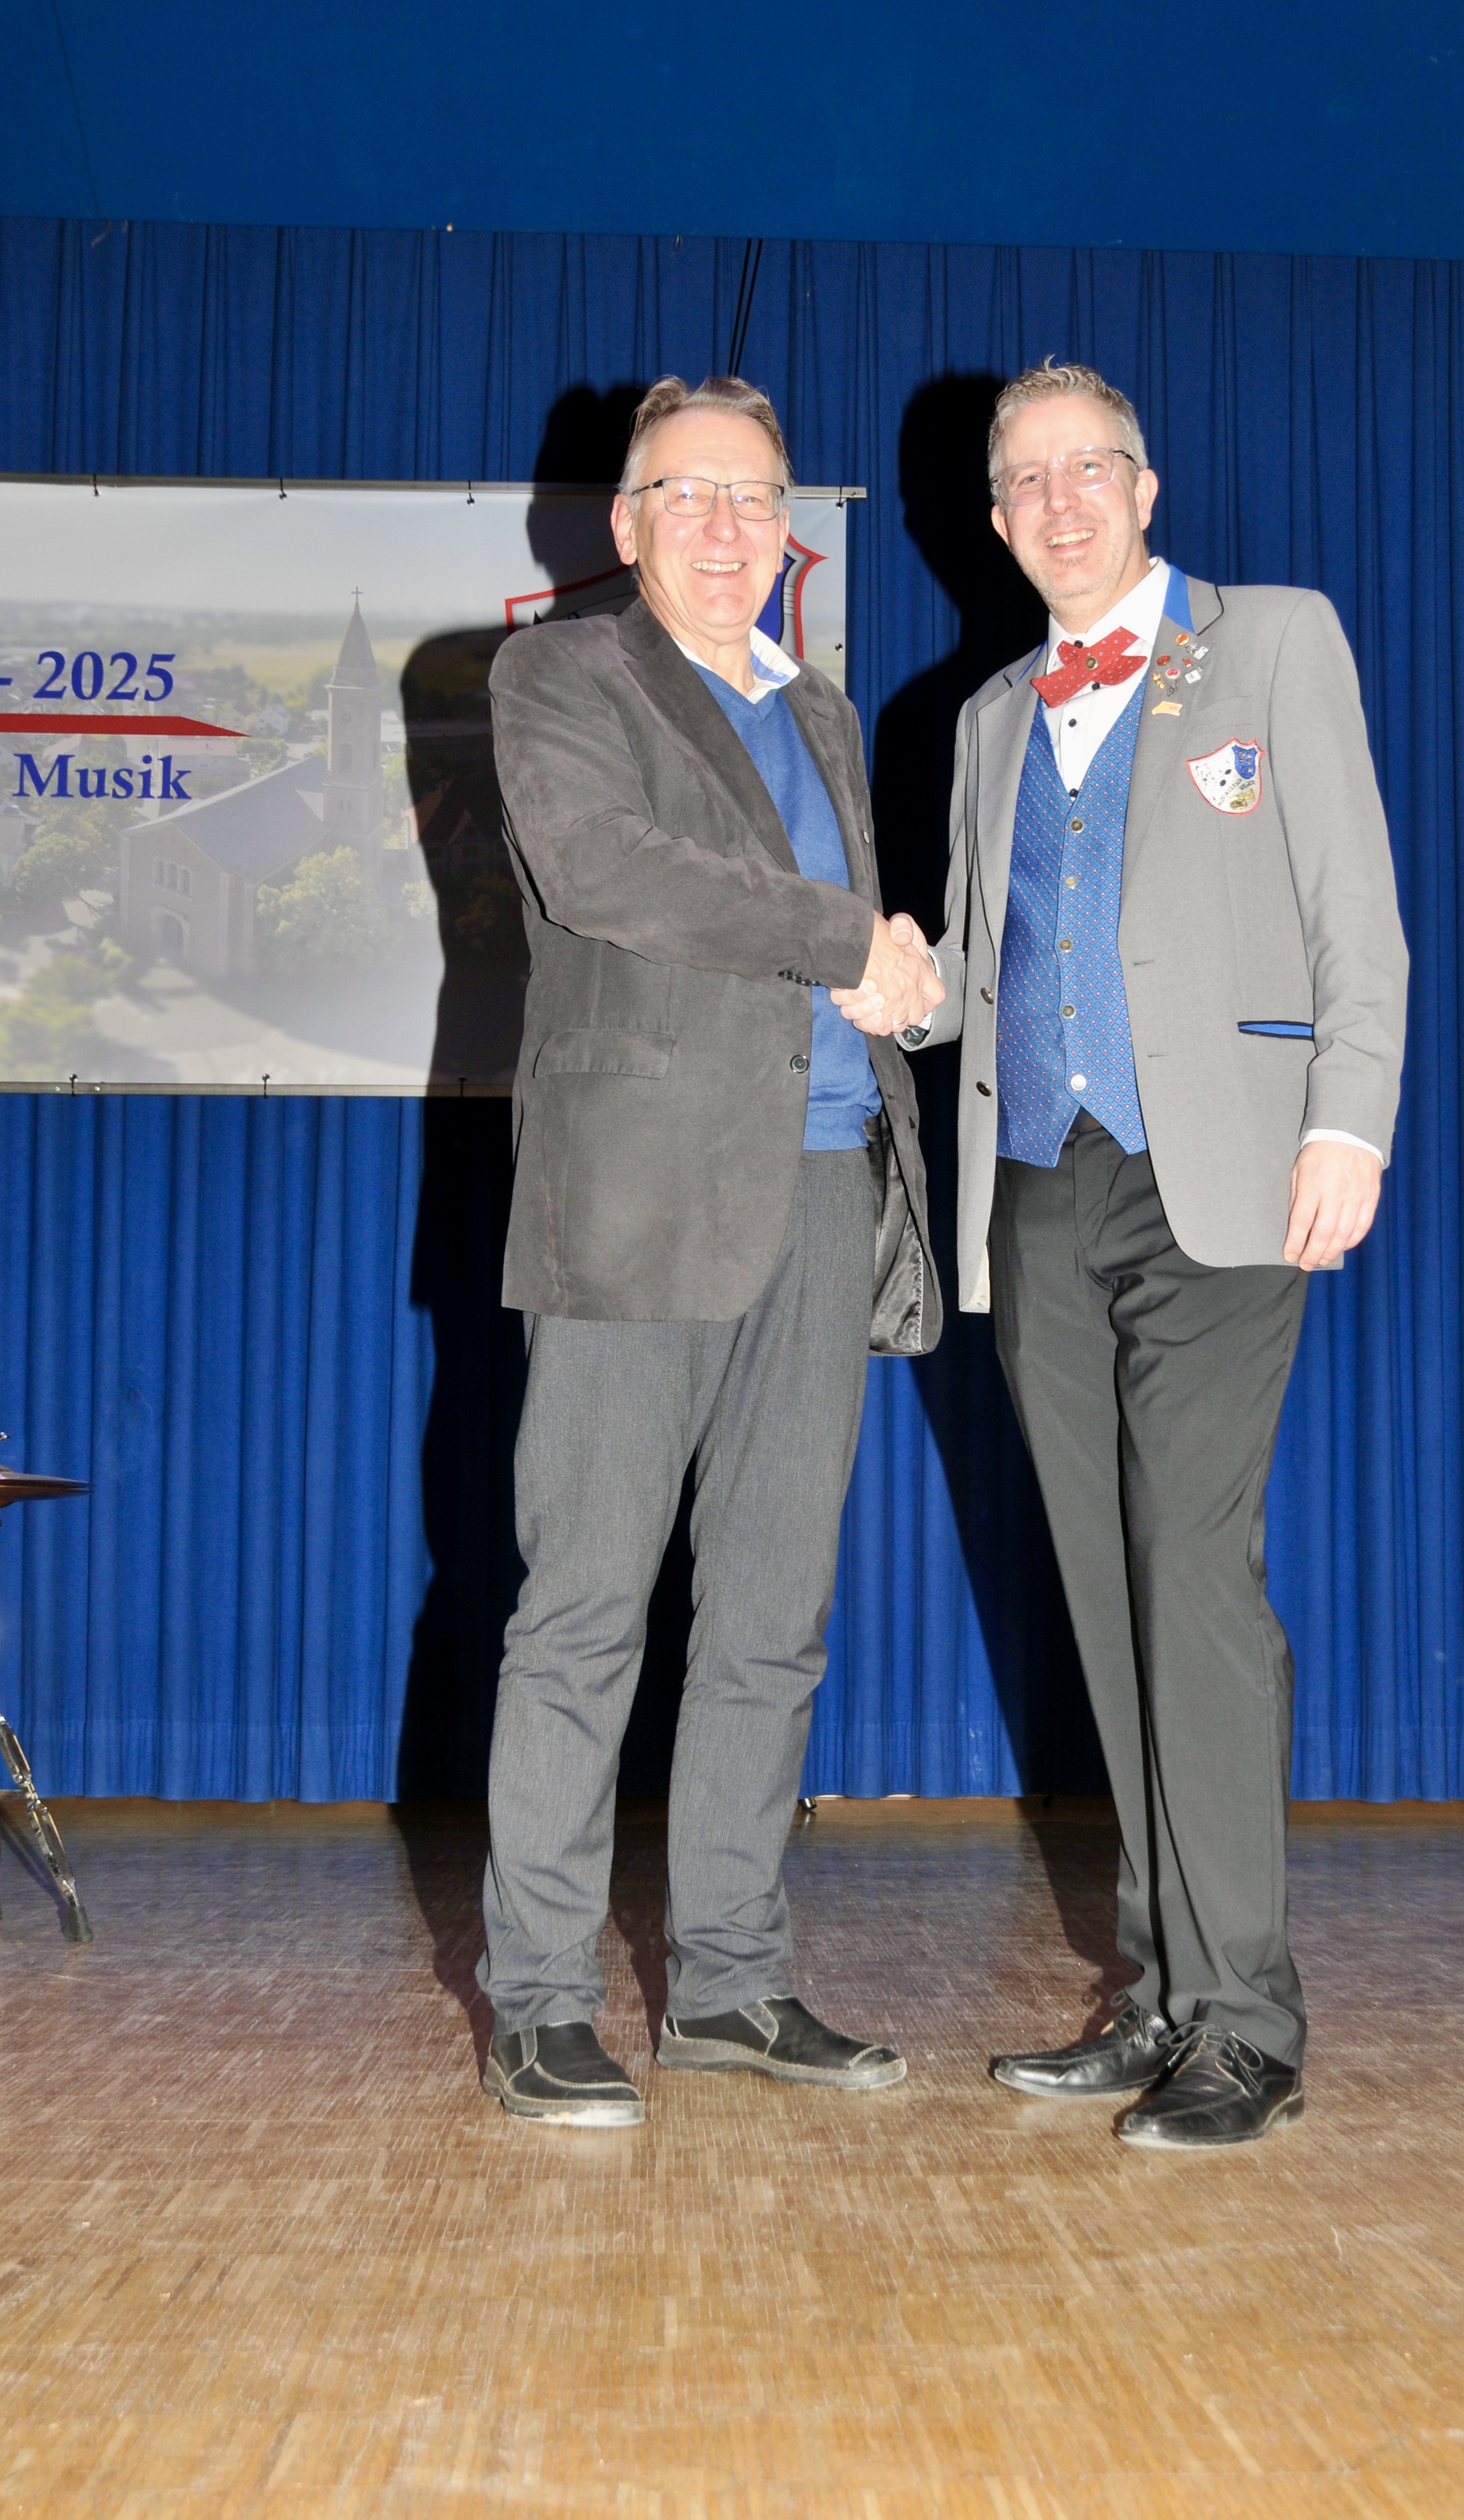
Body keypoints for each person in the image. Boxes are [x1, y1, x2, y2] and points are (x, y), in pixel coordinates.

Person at [847, 360, 1407, 2148]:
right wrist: (895, 985)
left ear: (1144, 488)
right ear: (992, 520)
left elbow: (1355, 906)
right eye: (1025, 480)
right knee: (1102, 1584)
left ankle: (1247, 2019)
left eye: (1088, 467)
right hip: (1040, 1187)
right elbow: (988, 963)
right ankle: (1162, 1990)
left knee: (1193, 1569)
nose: (1060, 501)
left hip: (1220, 1175)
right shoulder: (984, 716)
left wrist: (1350, 1118)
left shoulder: (1275, 641)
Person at [479, 373, 945, 2127]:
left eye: (755, 496)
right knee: (584, 1609)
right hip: (631, 1208)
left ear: (789, 529)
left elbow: (851, 961)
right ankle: (539, 1999)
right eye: (689, 494)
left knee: (769, 1620)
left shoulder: (820, 707)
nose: (727, 525)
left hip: (819, 1188)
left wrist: (899, 989)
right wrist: (847, 937)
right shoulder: (561, 674)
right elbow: (609, 871)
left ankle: (732, 1982)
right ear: (627, 524)